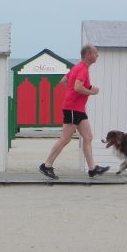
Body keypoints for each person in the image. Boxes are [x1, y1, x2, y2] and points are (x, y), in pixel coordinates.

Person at [39, 44, 110, 180]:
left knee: (88, 137)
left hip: (77, 109)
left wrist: (78, 92)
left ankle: (92, 169)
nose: (97, 55)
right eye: (96, 53)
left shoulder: (77, 67)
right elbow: (77, 87)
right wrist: (90, 92)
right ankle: (46, 165)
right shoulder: (82, 69)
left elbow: (64, 81)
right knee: (65, 139)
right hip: (72, 109)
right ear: (88, 54)